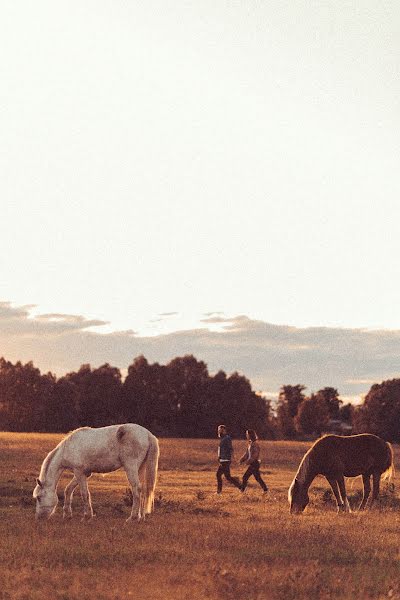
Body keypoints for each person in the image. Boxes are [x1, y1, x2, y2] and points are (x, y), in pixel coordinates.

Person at [216, 425, 241, 494]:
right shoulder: (222, 439)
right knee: (225, 476)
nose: (219, 431)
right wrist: (219, 457)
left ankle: (241, 487)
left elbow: (231, 449)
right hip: (222, 460)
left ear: (225, 431)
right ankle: (241, 487)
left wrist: (232, 458)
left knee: (225, 476)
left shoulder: (227, 438)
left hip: (226, 460)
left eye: (221, 430)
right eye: (219, 430)